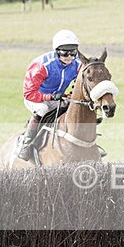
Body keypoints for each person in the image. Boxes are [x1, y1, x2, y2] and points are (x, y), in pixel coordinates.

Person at [17, 29, 83, 160]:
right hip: (36, 98)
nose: (69, 57)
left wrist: (71, 94)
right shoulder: (42, 66)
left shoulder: (77, 64)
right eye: (65, 53)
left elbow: (82, 81)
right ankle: (26, 143)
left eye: (73, 52)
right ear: (57, 51)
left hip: (58, 98)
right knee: (43, 109)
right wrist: (50, 97)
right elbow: (29, 93)